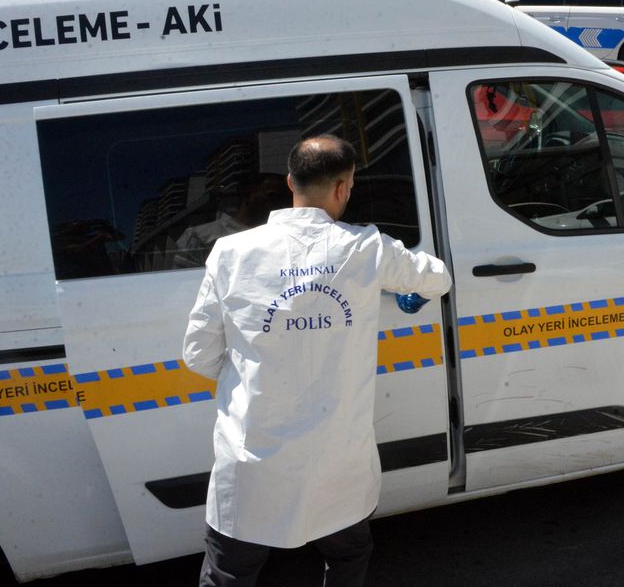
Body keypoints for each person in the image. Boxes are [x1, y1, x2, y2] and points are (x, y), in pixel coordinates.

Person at [183, 135, 452, 587]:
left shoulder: (231, 253)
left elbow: (198, 354)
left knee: (229, 573)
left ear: (290, 182)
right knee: (349, 553)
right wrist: (410, 293)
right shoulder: (367, 248)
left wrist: (257, 371)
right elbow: (438, 277)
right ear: (344, 187)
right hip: (336, 462)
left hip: (254, 462)